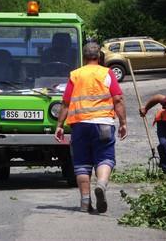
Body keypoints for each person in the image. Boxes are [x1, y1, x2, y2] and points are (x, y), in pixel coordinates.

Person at [54, 42, 127, 213]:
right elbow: (118, 99)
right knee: (105, 158)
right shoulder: (107, 73)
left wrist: (59, 125)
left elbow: (65, 103)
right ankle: (101, 184)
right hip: (103, 124)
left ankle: (85, 202)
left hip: (80, 125)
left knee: (81, 163)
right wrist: (123, 123)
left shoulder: (75, 74)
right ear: (99, 57)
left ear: (84, 57)